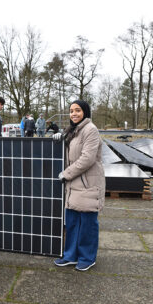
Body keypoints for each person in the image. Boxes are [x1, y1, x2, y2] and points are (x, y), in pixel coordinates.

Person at [53, 100, 105, 271]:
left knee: (88, 224)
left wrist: (66, 174)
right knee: (72, 223)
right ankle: (70, 256)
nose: (74, 114)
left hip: (87, 184)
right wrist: (59, 139)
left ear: (85, 112)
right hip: (73, 185)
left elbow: (87, 159)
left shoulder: (91, 130)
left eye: (78, 110)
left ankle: (87, 258)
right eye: (71, 111)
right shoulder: (72, 131)